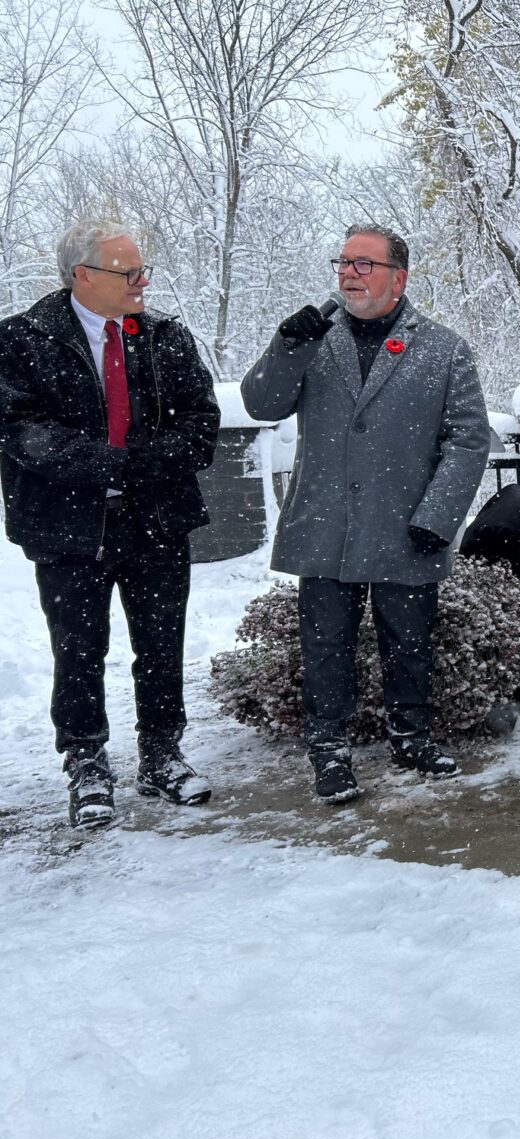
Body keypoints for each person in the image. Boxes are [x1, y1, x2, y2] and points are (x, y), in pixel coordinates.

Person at [242, 224, 492, 804]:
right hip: (326, 524)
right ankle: (328, 750)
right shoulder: (314, 338)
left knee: (409, 641)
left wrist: (439, 515)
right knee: (325, 644)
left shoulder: (443, 349)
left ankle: (411, 737)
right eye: (344, 262)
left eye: (364, 264)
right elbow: (262, 404)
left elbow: (468, 439)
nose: (349, 274)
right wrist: (286, 346)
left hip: (406, 525)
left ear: (397, 279)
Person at [0, 219, 219, 828]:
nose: (142, 281)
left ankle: (162, 754)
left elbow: (200, 423)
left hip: (157, 521)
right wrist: (112, 466)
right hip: (70, 528)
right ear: (83, 276)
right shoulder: (22, 340)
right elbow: (23, 433)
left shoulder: (165, 337)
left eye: (143, 269)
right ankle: (87, 763)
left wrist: (146, 466)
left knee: (161, 645)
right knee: (78, 649)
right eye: (129, 272)